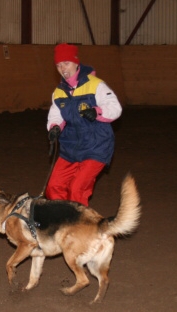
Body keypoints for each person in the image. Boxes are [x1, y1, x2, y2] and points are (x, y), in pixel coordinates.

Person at [46, 43, 122, 206]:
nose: (62, 68)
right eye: (58, 65)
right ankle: (63, 223)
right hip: (70, 148)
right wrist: (54, 127)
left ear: (76, 62)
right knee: (53, 187)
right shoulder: (58, 92)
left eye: (66, 63)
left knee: (77, 189)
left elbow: (115, 108)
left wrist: (97, 112)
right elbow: (56, 115)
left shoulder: (95, 85)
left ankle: (81, 229)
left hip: (96, 146)